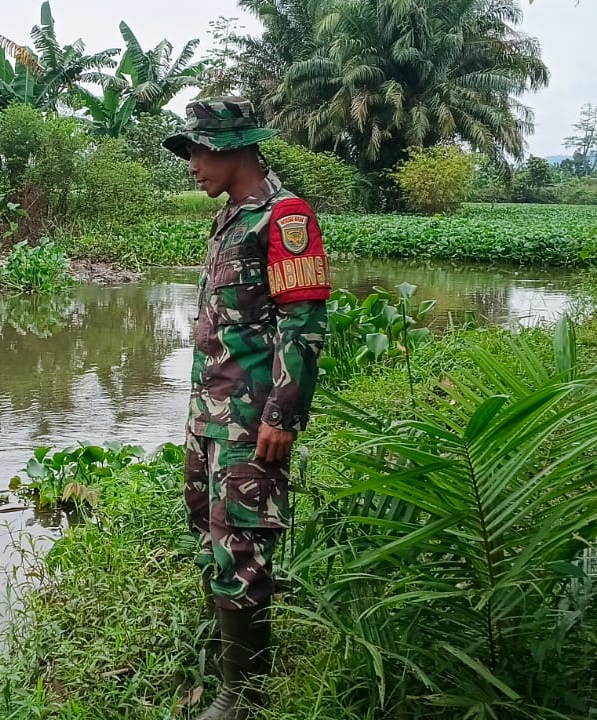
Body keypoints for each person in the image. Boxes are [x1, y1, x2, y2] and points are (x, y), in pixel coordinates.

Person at [163, 97, 330, 719]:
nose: (192, 167)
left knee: (241, 545)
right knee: (209, 532)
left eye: (199, 153)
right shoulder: (231, 218)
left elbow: (304, 324)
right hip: (209, 412)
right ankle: (229, 661)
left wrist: (282, 415)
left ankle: (244, 697)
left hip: (251, 420)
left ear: (236, 149)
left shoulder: (284, 219)